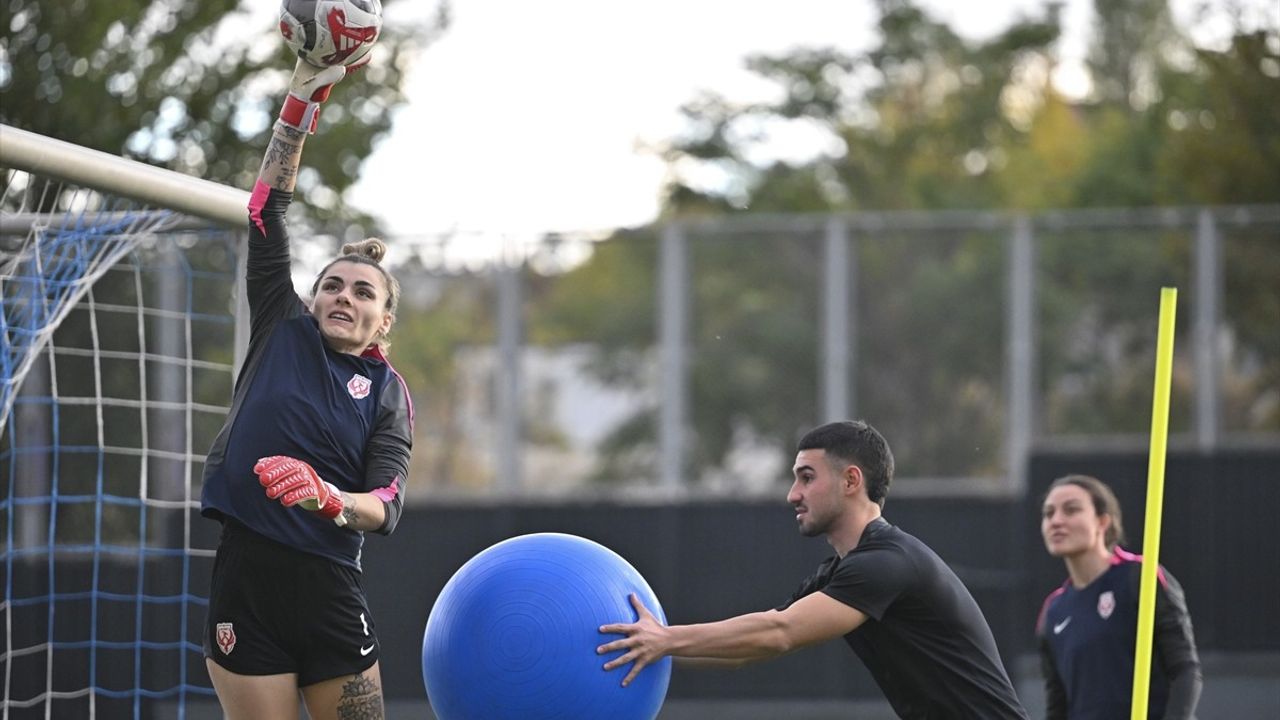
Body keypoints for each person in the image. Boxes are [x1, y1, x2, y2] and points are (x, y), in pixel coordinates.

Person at [199, 56, 413, 720]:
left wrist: (328, 498)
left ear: (384, 320)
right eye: (332, 285)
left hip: (328, 589)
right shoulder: (281, 327)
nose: (344, 296)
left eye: (363, 292)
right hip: (246, 578)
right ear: (312, 298)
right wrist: (302, 96)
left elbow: (386, 504)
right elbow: (266, 208)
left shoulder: (387, 391)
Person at [598, 420, 1028, 719]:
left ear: (851, 481)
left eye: (806, 477)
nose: (792, 494)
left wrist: (665, 640)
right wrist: (641, 649)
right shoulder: (842, 571)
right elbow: (752, 647)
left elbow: (778, 633)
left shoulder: (886, 564)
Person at [1036, 475, 1201, 720]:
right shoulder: (1053, 610)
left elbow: (1184, 671)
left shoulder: (1141, 577)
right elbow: (1057, 706)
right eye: (1049, 513)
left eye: (1071, 510)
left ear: (1103, 521)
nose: (1056, 521)